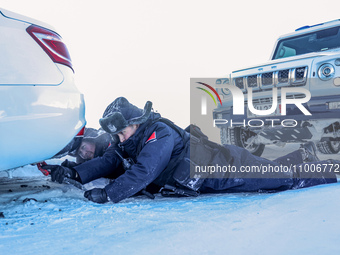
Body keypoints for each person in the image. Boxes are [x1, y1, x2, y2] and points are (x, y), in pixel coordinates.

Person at [43, 97, 339, 203]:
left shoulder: (157, 133)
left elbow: (147, 170)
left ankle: (328, 170)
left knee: (280, 179)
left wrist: (109, 194)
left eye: (122, 131)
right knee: (273, 173)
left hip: (221, 168)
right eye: (115, 134)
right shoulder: (128, 142)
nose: (119, 139)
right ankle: (304, 157)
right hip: (202, 178)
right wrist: (75, 174)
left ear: (136, 123)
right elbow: (108, 161)